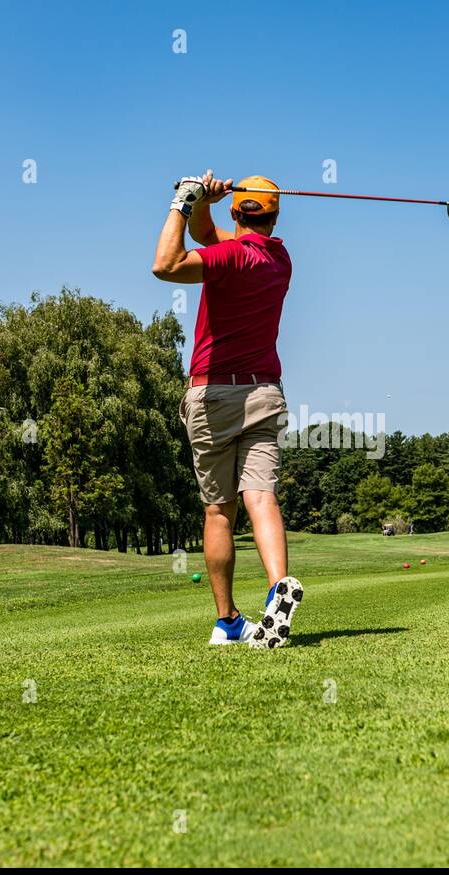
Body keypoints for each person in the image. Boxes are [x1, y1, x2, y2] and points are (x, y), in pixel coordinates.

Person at [152, 170, 303, 648]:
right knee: (262, 496)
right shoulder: (279, 259)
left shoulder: (228, 257)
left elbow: (166, 264)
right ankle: (278, 587)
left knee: (219, 510)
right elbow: (210, 237)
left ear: (238, 213)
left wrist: (183, 200)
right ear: (275, 218)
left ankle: (228, 622)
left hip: (213, 395)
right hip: (263, 394)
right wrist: (207, 205)